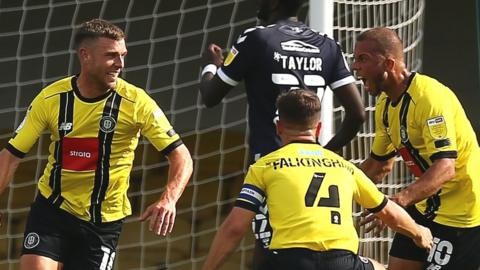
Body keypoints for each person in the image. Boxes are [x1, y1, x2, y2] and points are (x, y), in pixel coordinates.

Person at [0, 19, 193, 270]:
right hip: (53, 211)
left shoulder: (137, 102)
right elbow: (11, 155)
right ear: (85, 56)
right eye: (112, 56)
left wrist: (169, 199)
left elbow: (182, 157)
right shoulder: (51, 99)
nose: (120, 65)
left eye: (123, 55)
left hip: (103, 222)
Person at [199, 0, 365, 267]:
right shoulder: (327, 45)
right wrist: (325, 154)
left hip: (271, 164)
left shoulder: (257, 39)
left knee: (270, 250)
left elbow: (210, 96)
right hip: (315, 168)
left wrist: (210, 66)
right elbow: (357, 114)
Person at [201, 89, 432, 270]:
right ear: (318, 128)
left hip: (289, 263)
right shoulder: (345, 167)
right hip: (341, 263)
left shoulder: (264, 166)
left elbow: (234, 228)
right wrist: (419, 233)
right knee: (380, 267)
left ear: (279, 127)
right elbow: (388, 212)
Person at [352, 27, 480, 270]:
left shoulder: (430, 98)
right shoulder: (385, 106)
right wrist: (339, 184)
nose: (355, 66)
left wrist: (398, 201)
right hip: (422, 207)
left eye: (363, 59)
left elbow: (445, 167)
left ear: (389, 63)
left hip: (461, 217)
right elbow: (378, 165)